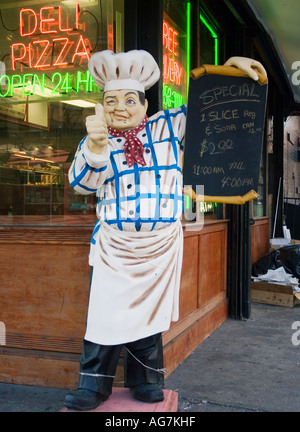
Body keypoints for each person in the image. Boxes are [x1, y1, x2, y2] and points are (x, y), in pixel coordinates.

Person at [64, 50, 267, 411]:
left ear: (144, 104)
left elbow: (210, 112)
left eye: (129, 100)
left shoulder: (168, 126)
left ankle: (147, 381)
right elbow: (81, 182)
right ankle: (93, 387)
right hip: (115, 246)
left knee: (149, 317)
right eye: (111, 101)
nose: (120, 108)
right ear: (102, 105)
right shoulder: (97, 139)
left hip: (160, 245)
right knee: (103, 318)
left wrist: (231, 69)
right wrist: (95, 147)